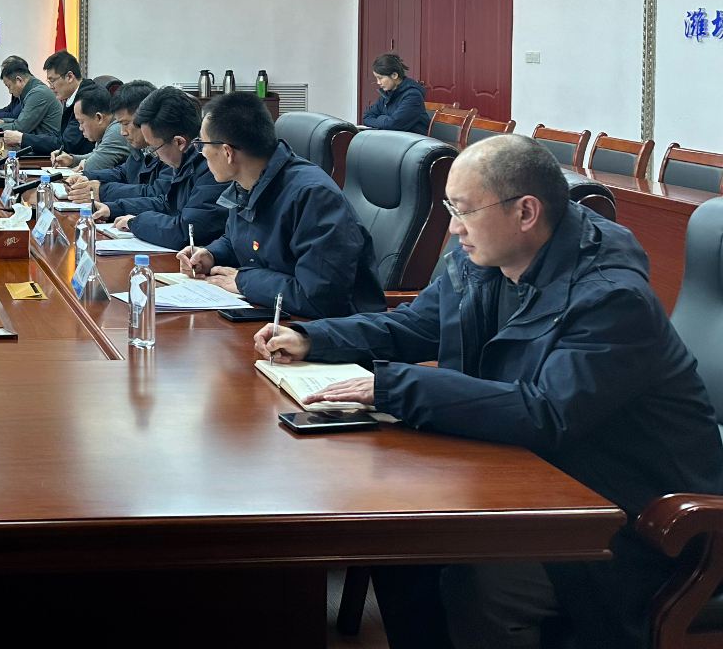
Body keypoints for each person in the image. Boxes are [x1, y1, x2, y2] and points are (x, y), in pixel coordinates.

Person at [261, 134, 723, 649]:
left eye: (462, 211)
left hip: (630, 516)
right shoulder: (484, 257)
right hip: (530, 477)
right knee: (399, 545)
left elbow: (547, 412)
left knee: (482, 581)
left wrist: (396, 386)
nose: (452, 228)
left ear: (525, 212)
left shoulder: (611, 298)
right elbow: (415, 325)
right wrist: (314, 338)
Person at [182, 90, 383, 317]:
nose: (202, 153)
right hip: (277, 312)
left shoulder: (314, 197)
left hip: (327, 328)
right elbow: (242, 239)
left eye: (203, 144)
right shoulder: (247, 183)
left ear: (227, 152)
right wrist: (211, 255)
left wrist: (244, 281)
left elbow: (320, 297)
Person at [90, 86, 228, 250]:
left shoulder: (212, 168)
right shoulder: (185, 159)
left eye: (154, 148)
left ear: (179, 142)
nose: (153, 154)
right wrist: (115, 209)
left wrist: (135, 222)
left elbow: (185, 232)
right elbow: (167, 205)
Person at [65, 80, 159, 203]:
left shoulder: (167, 149)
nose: (122, 132)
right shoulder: (141, 147)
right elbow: (124, 172)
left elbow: (156, 196)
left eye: (126, 124)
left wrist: (102, 191)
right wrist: (87, 176)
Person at [16, 51, 94, 157]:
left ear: (69, 77)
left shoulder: (87, 99)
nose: (51, 86)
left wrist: (21, 138)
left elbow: (65, 144)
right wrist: (23, 138)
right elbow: (60, 135)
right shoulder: (71, 98)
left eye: (53, 81)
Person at [0, 57, 60, 146]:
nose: (10, 91)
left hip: (44, 149)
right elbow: (21, 121)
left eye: (9, 86)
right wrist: (3, 121)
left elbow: (20, 128)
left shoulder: (38, 94)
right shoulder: (31, 90)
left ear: (19, 80)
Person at [52, 84, 130, 174]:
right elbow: (96, 155)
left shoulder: (116, 130)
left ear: (99, 118)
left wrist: (86, 164)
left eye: (81, 122)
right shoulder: (108, 127)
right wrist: (72, 160)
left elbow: (93, 166)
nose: (80, 128)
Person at [361, 52, 430, 133]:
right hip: (394, 137)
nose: (378, 82)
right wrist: (387, 120)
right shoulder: (386, 94)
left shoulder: (413, 96)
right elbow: (366, 117)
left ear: (394, 75)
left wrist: (380, 117)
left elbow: (394, 125)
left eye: (380, 78)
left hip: (414, 139)